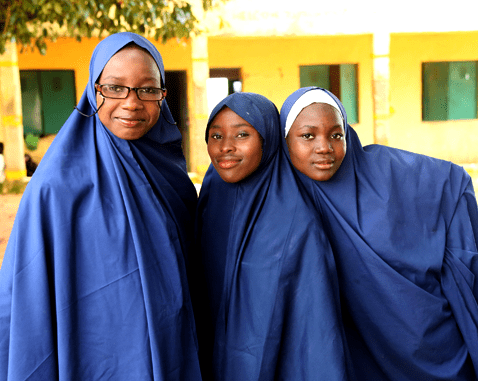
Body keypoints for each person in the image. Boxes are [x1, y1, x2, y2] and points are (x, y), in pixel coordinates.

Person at [0, 32, 202, 380]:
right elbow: (27, 291)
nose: (132, 102)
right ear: (94, 93)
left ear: (163, 96)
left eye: (148, 89)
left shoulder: (174, 182)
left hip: (171, 347)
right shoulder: (55, 189)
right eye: (115, 87)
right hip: (93, 356)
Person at [281, 86, 478, 380]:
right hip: (359, 352)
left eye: (337, 134)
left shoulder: (385, 173)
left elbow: (450, 183)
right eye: (308, 136)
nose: (324, 147)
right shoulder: (282, 195)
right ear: (284, 141)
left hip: (429, 341)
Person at [194, 92, 351, 380]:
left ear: (269, 140)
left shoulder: (295, 221)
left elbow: (315, 333)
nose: (226, 147)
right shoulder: (213, 193)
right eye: (215, 136)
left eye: (242, 134)